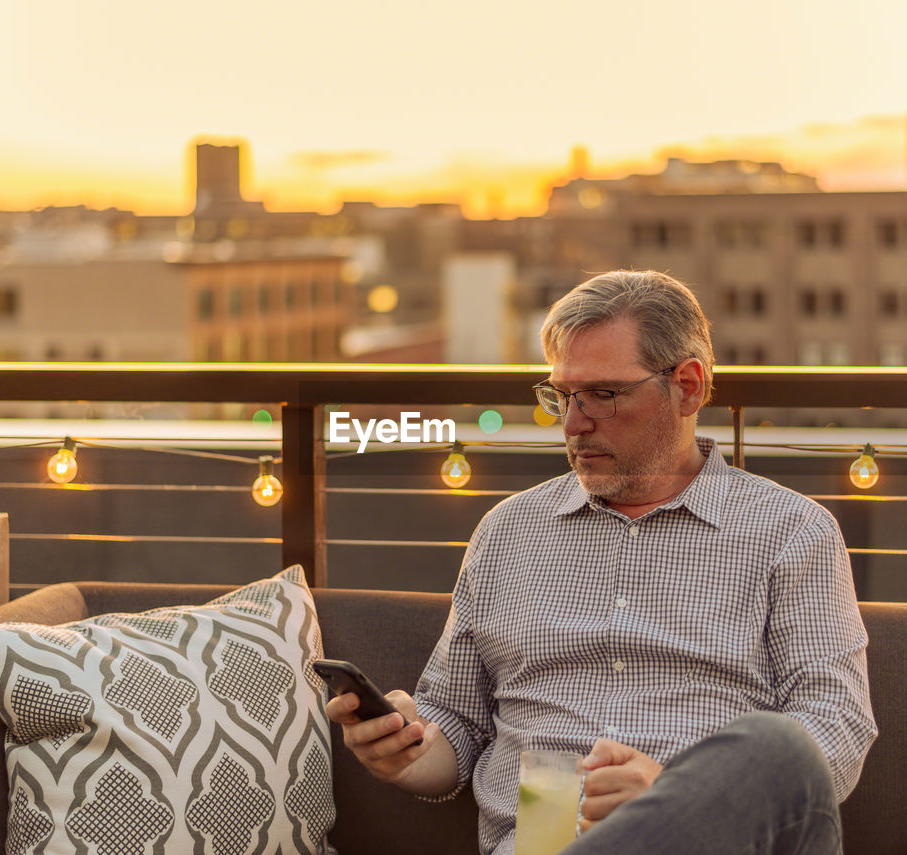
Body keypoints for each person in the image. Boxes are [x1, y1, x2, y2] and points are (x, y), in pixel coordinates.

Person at [327, 270, 877, 855]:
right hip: (538, 842)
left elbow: (836, 724)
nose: (573, 424)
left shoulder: (791, 532)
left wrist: (679, 800)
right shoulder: (507, 533)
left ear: (688, 387)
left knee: (779, 749)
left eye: (604, 396)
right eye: (562, 397)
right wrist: (407, 753)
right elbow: (455, 725)